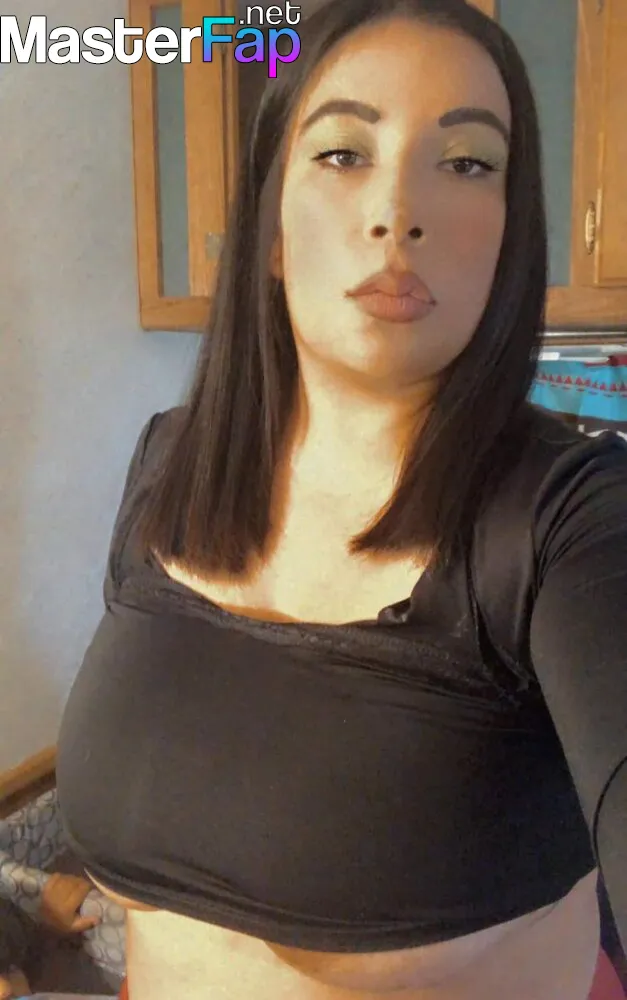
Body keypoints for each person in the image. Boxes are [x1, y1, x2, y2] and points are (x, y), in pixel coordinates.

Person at [54, 0, 627, 997]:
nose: (397, 211)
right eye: (341, 153)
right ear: (270, 228)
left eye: (467, 163)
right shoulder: (168, 465)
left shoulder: (570, 519)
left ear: (510, 234)